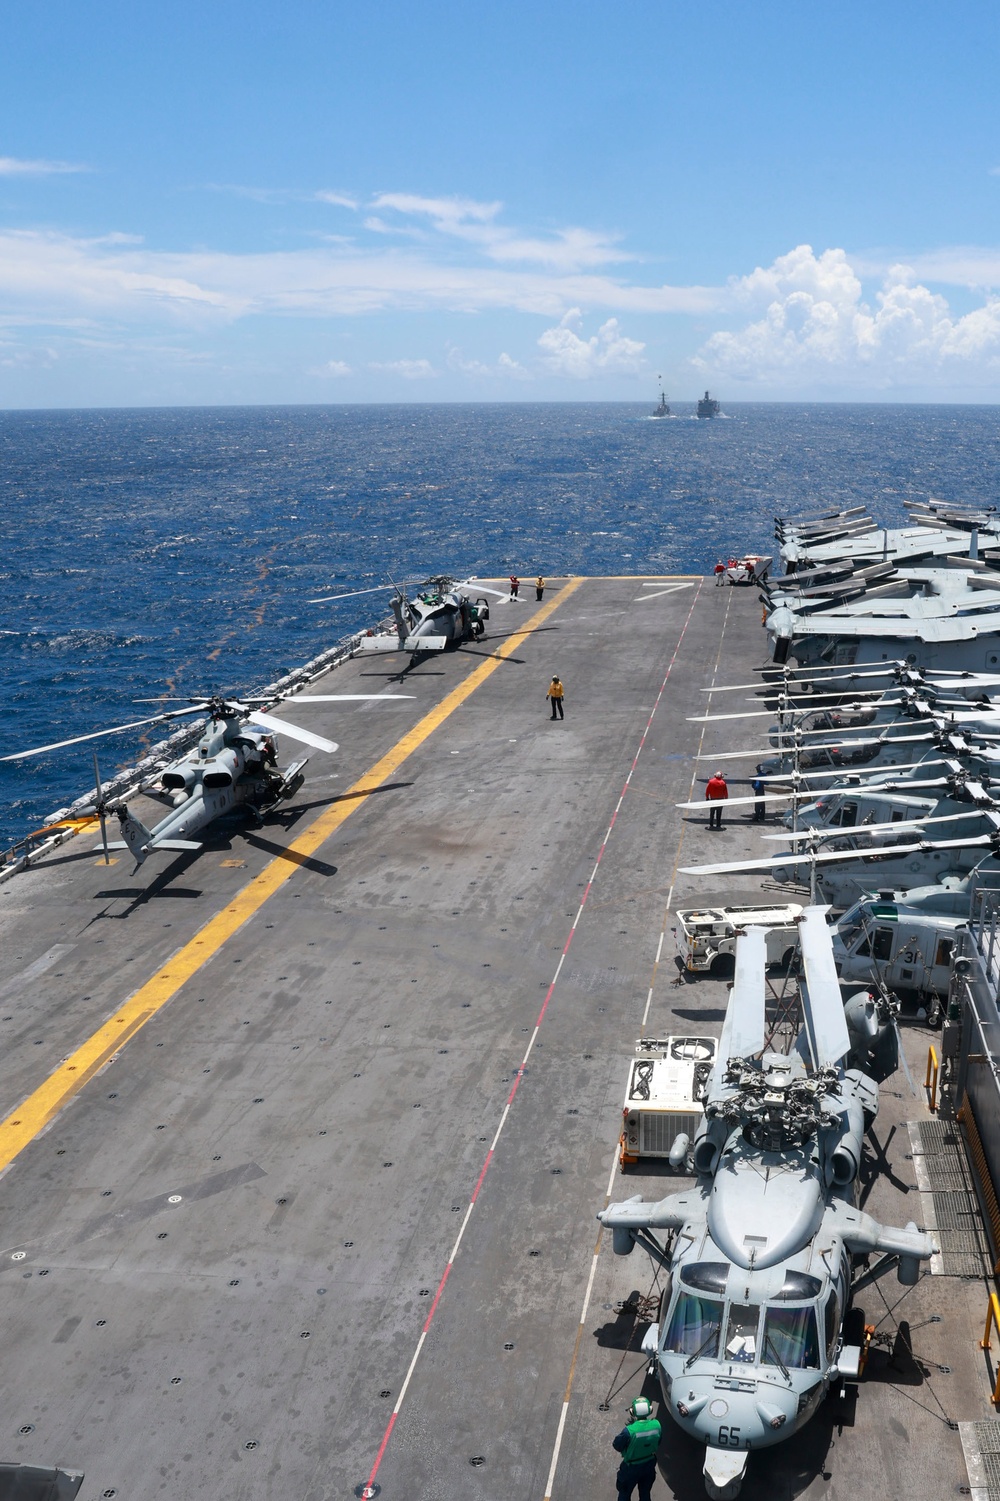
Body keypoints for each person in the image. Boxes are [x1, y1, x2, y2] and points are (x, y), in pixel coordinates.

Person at [612, 1396, 660, 1501]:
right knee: (645, 1494)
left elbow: (617, 1445)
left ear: (632, 1412)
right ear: (650, 1410)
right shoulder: (657, 1425)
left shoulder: (629, 1431)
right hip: (649, 1465)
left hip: (631, 1468)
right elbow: (658, 1442)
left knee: (624, 1494)